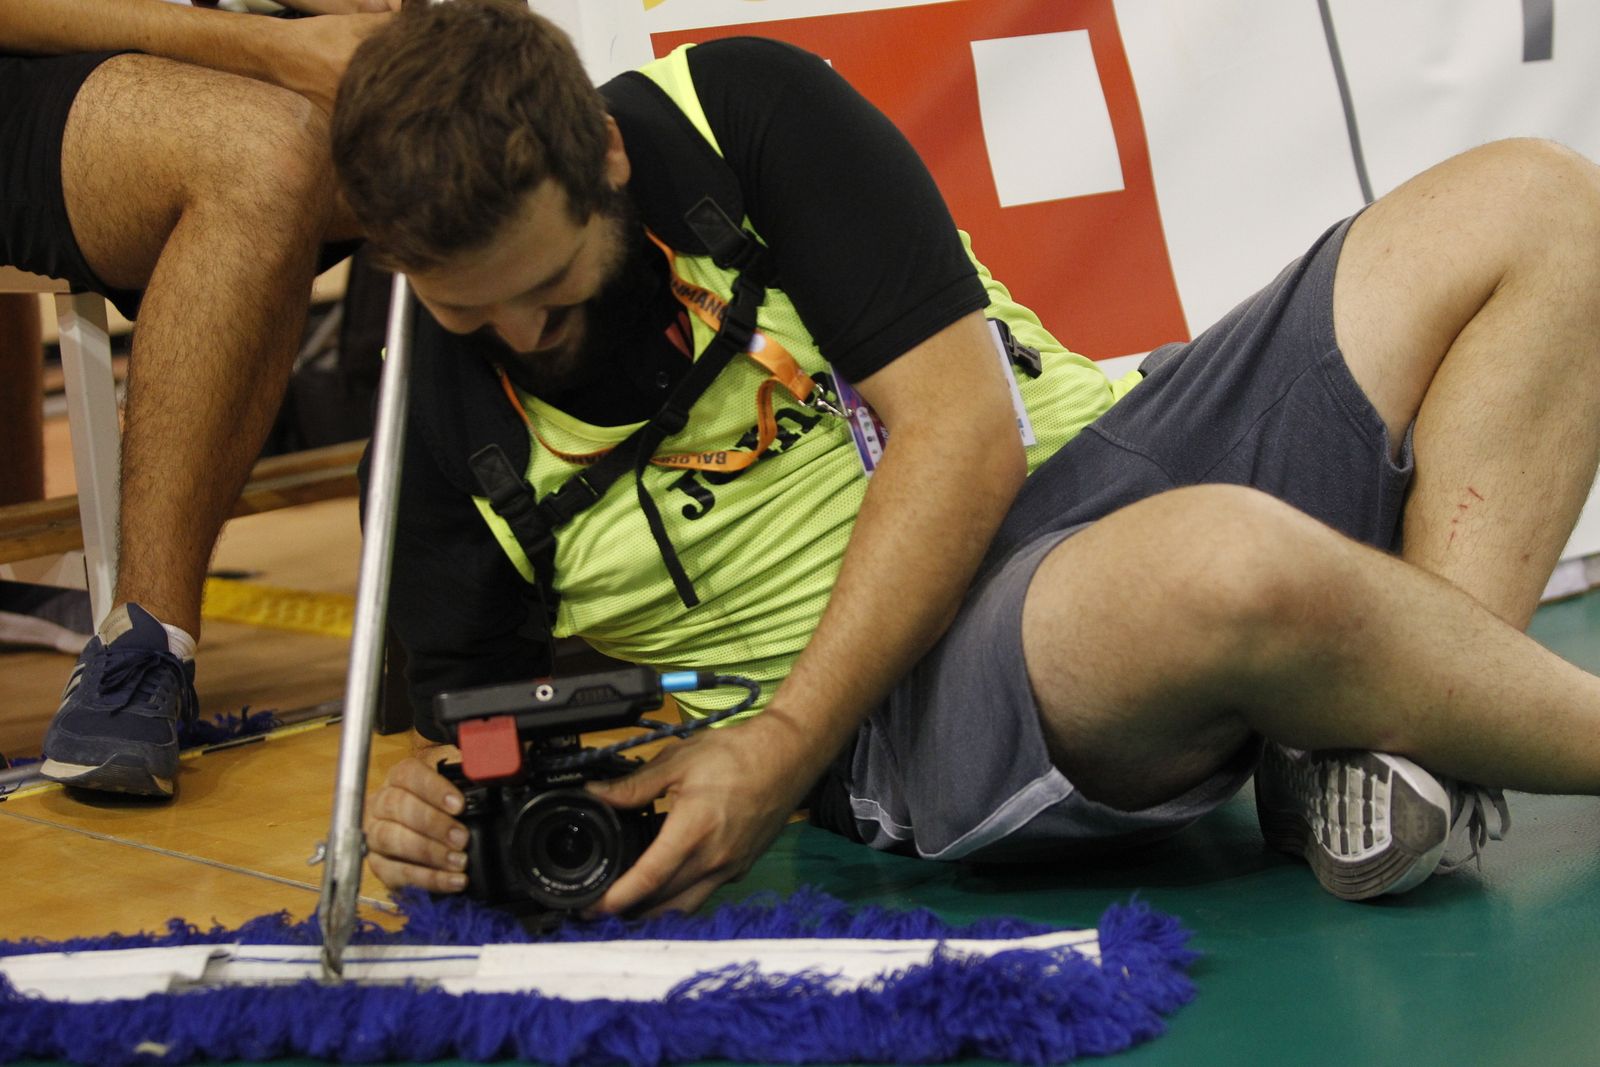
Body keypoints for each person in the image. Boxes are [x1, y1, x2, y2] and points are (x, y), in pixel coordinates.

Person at [336, 0, 1600, 915]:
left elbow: (962, 435)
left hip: (1101, 456)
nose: (519, 338)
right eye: (464, 310)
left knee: (1545, 203)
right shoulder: (421, 406)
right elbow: (464, 732)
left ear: (605, 158)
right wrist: (421, 806)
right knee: (1223, 561)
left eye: (549, 289)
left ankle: (1401, 753)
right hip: (899, 704)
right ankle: (1430, 716)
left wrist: (770, 746)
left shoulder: (734, 108)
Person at [1, 0, 393, 797]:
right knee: (267, 152)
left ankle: (522, 585)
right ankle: (145, 641)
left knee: (526, 117)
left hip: (236, 46)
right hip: (32, 60)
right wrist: (274, 47)